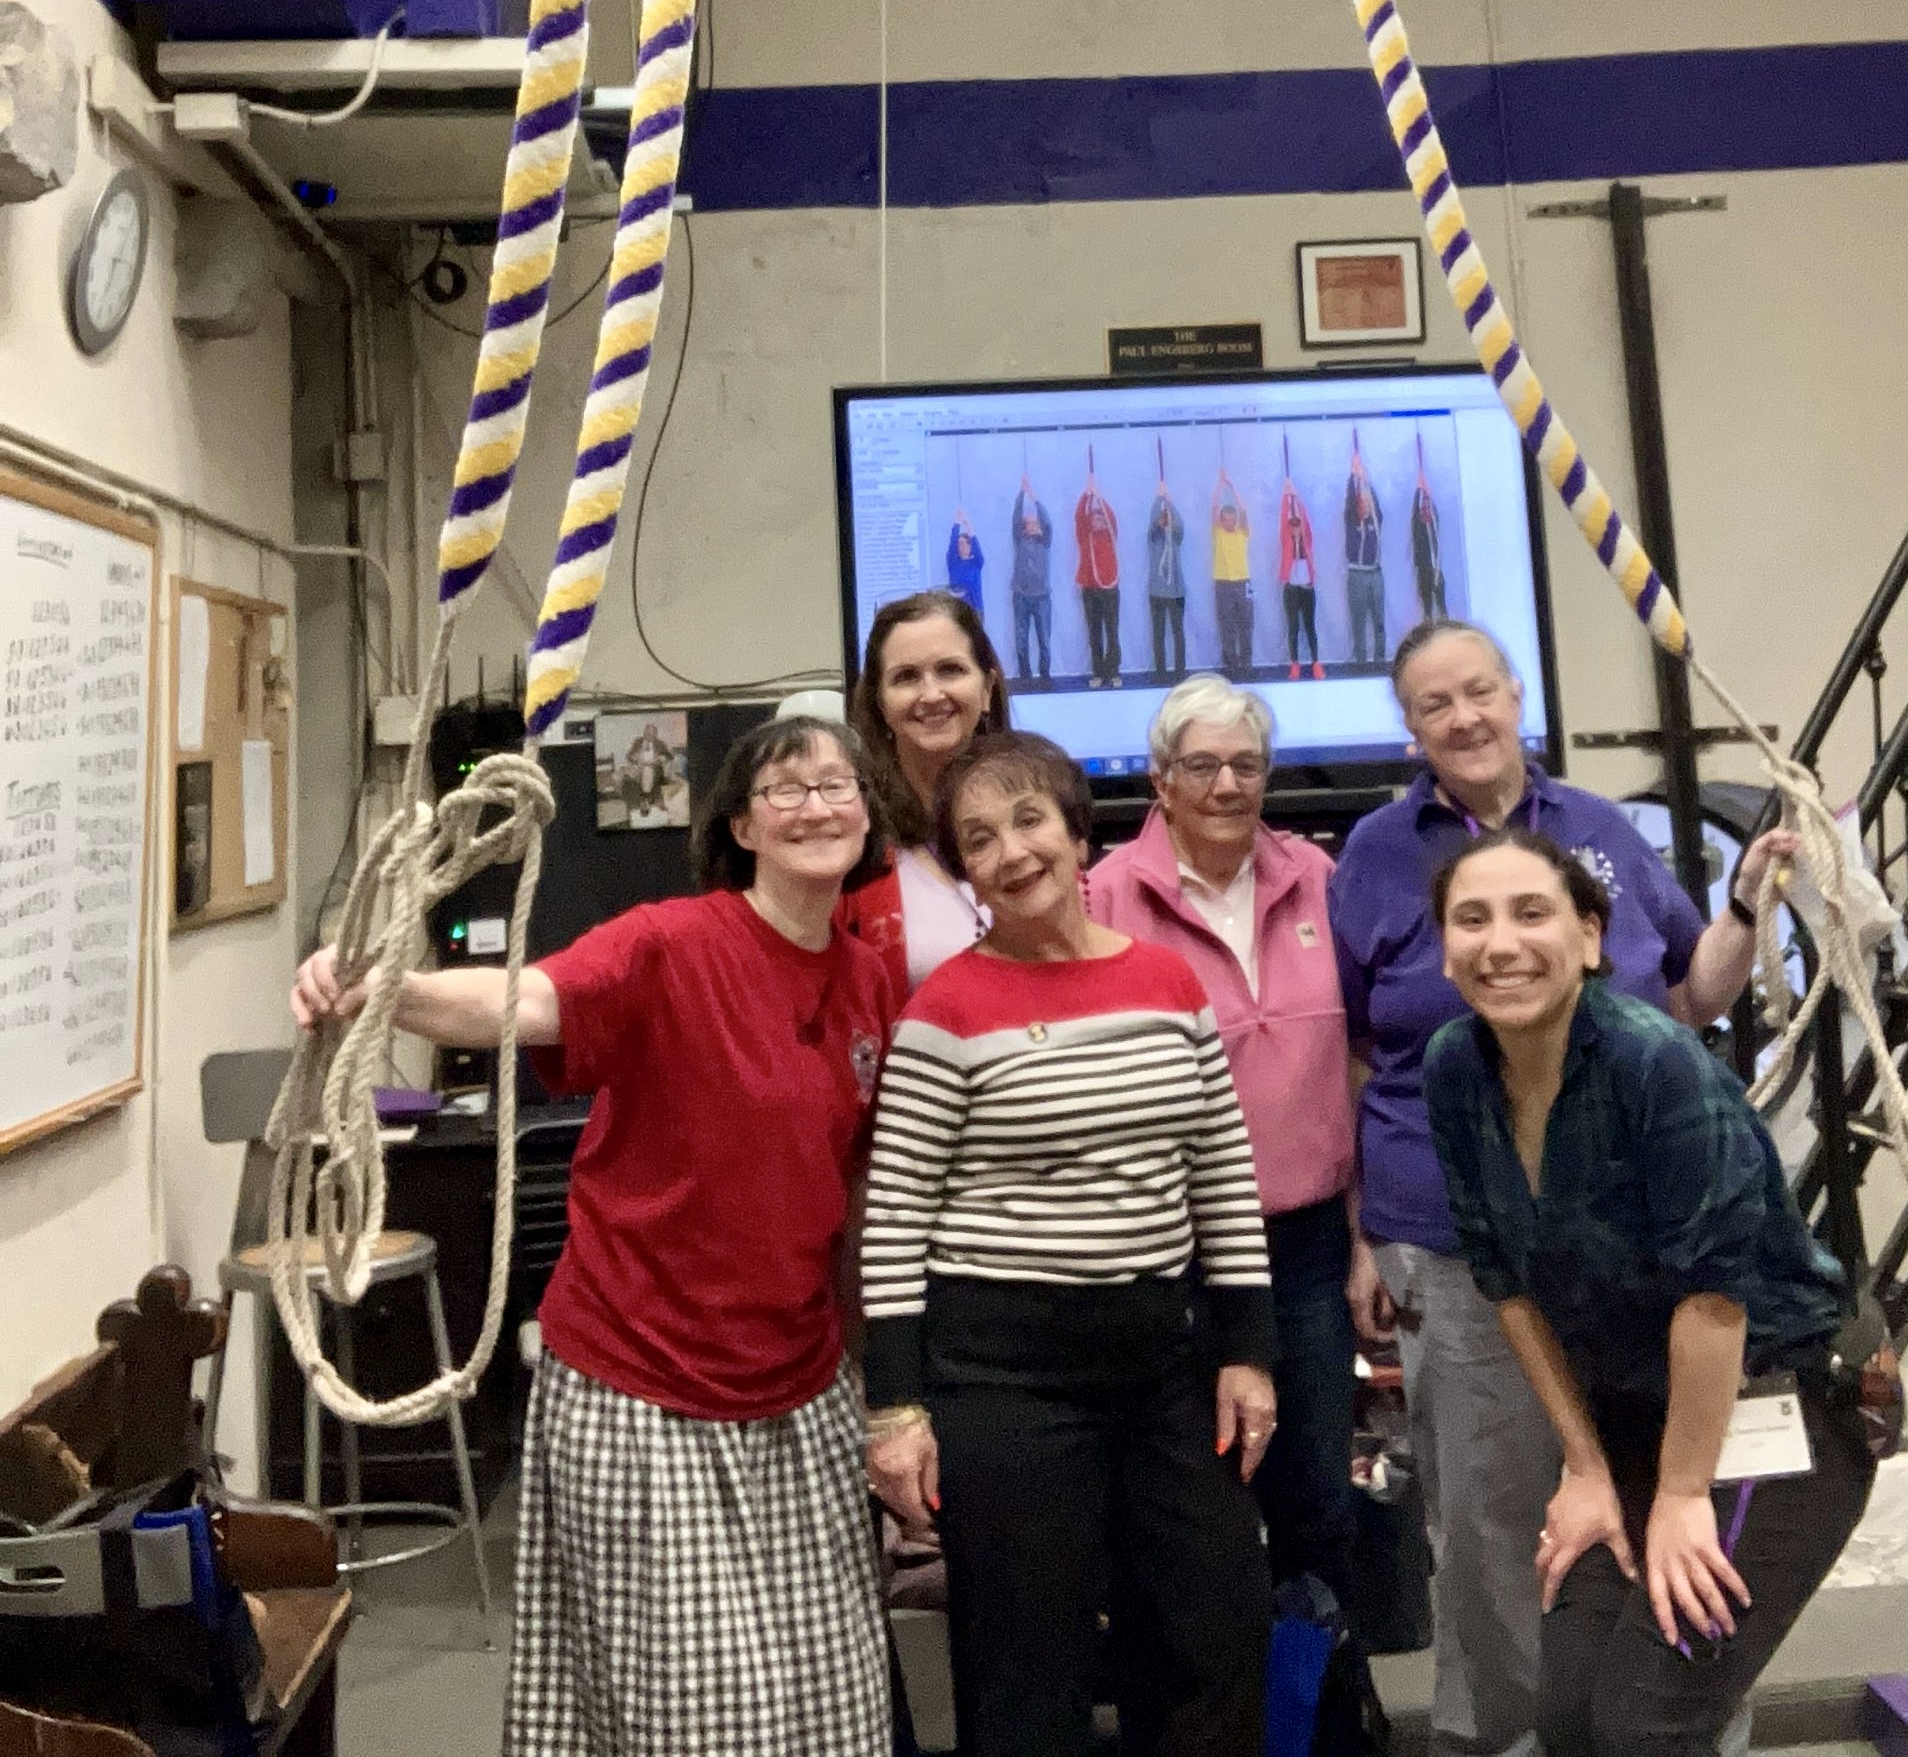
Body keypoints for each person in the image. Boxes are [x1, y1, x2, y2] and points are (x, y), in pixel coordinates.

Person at [289, 717, 896, 1757]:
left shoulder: (869, 982)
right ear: (742, 823)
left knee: (836, 1714)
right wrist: (378, 990)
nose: (816, 806)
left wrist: (883, 1392)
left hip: (798, 1388)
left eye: (836, 785)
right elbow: (523, 1000)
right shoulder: (671, 942)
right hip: (645, 1384)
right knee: (702, 1724)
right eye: (785, 790)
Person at [1329, 618, 1799, 1757]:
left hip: (1631, 1250)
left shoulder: (1596, 832)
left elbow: (1693, 991)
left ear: (1514, 695)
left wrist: (1746, 903)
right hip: (1450, 1237)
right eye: (1434, 703)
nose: (1463, 717)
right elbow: (1348, 1048)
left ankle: (1672, 1728)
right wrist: (1356, 1235)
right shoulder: (1374, 857)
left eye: (1479, 691)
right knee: (1491, 1515)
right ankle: (1498, 1738)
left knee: (1664, 1491)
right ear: (1409, 727)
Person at [863, 731, 1279, 1757]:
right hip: (1004, 1381)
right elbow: (894, 1218)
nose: (1009, 853)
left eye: (1026, 820)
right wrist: (897, 1408)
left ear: (1073, 829)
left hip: (1165, 1368)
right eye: (977, 840)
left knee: (1207, 1633)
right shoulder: (942, 1012)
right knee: (1025, 1665)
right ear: (963, 872)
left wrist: (1248, 1351)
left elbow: (1222, 1176)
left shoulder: (1169, 984)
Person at [1424, 830, 1873, 1757]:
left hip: (1783, 1393)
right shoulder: (1454, 1069)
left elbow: (1715, 1297)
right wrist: (1585, 1468)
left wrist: (1680, 1495)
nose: (1500, 942)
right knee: (1573, 1720)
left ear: (1592, 939)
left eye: (1532, 913)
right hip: (1632, 1409)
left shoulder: (1653, 1064)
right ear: (1444, 948)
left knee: (1647, 1722)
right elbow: (1507, 1285)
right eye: (1472, 919)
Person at [1091, 676, 1388, 1754]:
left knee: (1315, 1501)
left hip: (1304, 1248)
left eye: (1245, 766)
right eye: (1201, 767)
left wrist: (1363, 1235)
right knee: (1183, 1516)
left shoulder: (1318, 878)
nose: (1226, 785)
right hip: (1166, 1262)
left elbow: (1360, 1067)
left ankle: (1317, 1726)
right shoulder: (1099, 902)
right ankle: (1194, 1732)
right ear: (1158, 781)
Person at [843, 590, 1009, 1002]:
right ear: (879, 701)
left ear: (987, 688)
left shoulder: (1041, 823)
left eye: (950, 670)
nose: (931, 694)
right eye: (906, 677)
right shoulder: (851, 844)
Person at [1076, 448, 1123, 686]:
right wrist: (1087, 493)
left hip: (1110, 589)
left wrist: (1099, 496)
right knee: (1094, 632)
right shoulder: (1085, 536)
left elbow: (1111, 516)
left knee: (1112, 631)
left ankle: (1113, 672)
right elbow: (1079, 516)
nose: (1097, 520)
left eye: (1099, 518)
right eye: (1094, 518)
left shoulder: (1110, 536)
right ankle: (1098, 673)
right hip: (1090, 589)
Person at [1278, 446, 1322, 681]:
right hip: (1291, 589)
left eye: (1298, 525)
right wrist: (1287, 497)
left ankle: (1316, 663)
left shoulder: (1307, 542)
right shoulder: (1286, 542)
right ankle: (1294, 664)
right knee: (1293, 628)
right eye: (1292, 525)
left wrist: (1296, 496)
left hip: (1306, 587)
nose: (1295, 527)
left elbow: (1303, 517)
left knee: (1310, 627)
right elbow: (1283, 517)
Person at [1342, 430, 1385, 667]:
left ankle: (1380, 659)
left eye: (1367, 503)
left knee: (1379, 619)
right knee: (1358, 620)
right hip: (1356, 575)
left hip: (1375, 574)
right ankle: (1360, 661)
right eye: (1362, 503)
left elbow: (1375, 504)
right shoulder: (1350, 521)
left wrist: (1365, 480)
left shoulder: (1376, 522)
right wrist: (1353, 475)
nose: (1365, 507)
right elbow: (1350, 500)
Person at [1148, 441, 1188, 679]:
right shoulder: (1153, 538)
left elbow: (1181, 524)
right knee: (1158, 633)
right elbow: (1152, 519)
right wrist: (1158, 498)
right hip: (1156, 592)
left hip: (1176, 591)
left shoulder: (1175, 537)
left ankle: (1180, 671)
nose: (1164, 521)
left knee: (1178, 632)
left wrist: (1169, 500)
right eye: (1163, 518)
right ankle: (1161, 671)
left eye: (1167, 518)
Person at [1212, 469, 1254, 677]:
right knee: (1226, 625)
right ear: (1222, 521)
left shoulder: (1242, 532)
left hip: (1244, 582)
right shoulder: (1218, 533)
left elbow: (1244, 511)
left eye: (1232, 519)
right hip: (1223, 583)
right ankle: (1230, 664)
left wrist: (1233, 488)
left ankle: (1247, 663)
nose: (1229, 523)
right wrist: (1220, 486)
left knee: (1246, 624)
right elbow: (1214, 507)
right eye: (1225, 519)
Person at [1011, 474, 1053, 682]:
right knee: (1021, 639)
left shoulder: (1045, 541)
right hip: (1021, 596)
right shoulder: (1019, 540)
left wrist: (1035, 498)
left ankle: (1045, 675)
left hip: (1042, 597)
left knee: (1044, 638)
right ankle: (1025, 676)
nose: (1032, 525)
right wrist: (1021, 493)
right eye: (1029, 523)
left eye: (1035, 523)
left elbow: (1047, 522)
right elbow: (1016, 517)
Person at [1411, 446, 1447, 625]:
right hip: (1424, 570)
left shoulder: (1433, 523)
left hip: (1436, 568)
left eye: (1427, 504)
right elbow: (1415, 513)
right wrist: (1419, 489)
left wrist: (1426, 494)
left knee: (1442, 606)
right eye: (1423, 505)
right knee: (1427, 608)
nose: (1425, 507)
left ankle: (1444, 631)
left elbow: (1434, 512)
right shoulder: (1419, 527)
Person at [946, 510, 986, 614]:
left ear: (970, 546)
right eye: (959, 544)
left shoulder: (976, 562)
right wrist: (957, 523)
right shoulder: (953, 562)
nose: (961, 546)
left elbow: (976, 546)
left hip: (975, 609)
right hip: (957, 610)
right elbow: (952, 544)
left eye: (963, 543)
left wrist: (967, 524)